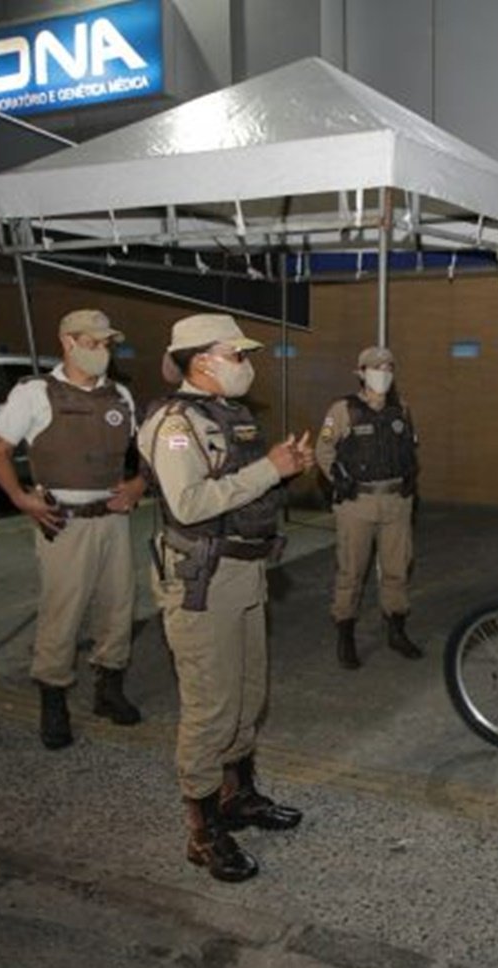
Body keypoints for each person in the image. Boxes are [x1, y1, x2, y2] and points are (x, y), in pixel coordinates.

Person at [139, 313, 313, 883]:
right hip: (202, 583)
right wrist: (269, 470)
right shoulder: (175, 425)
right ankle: (203, 829)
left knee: (247, 695)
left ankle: (240, 797)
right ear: (201, 362)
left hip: (243, 574)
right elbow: (188, 503)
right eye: (235, 355)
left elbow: (236, 490)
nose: (247, 365)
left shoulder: (230, 416)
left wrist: (281, 471)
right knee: (210, 708)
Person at [0, 309, 147, 750]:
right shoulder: (36, 392)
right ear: (67, 343)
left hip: (112, 520)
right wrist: (21, 498)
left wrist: (137, 485)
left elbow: (144, 456)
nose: (102, 351)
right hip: (64, 521)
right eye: (92, 343)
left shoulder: (121, 396)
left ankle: (108, 690)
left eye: (106, 343)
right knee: (63, 612)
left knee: (119, 607)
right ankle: (53, 698)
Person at [316, 346, 422, 669]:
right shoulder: (343, 410)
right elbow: (324, 450)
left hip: (395, 502)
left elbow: (411, 448)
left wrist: (410, 479)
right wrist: (338, 478)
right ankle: (346, 636)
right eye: (376, 367)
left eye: (389, 367)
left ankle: (396, 630)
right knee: (351, 570)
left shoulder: (401, 409)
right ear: (361, 372)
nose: (383, 373)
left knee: (397, 569)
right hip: (357, 503)